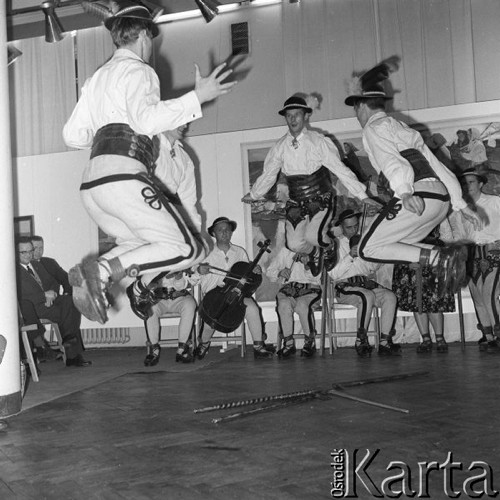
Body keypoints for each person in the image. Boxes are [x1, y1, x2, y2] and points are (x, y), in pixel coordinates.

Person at [62, 0, 237, 325]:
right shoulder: (140, 71)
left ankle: (92, 274)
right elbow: (145, 122)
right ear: (144, 35)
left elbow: (72, 135)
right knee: (184, 250)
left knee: (139, 243)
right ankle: (100, 271)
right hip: (123, 178)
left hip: (91, 186)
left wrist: (108, 137)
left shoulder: (95, 78)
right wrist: (197, 96)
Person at [344, 56, 482, 295]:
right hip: (439, 201)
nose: (356, 116)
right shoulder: (402, 128)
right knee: (398, 245)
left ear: (362, 106)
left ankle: (441, 257)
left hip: (417, 197)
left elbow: (392, 162)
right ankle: (440, 257)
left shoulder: (373, 129)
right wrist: (461, 205)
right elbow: (438, 166)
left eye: (355, 110)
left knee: (367, 248)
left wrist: (405, 192)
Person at [241, 94, 381, 277]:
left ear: (306, 116)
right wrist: (254, 194)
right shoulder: (280, 147)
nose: (292, 119)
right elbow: (269, 174)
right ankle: (316, 253)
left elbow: (341, 170)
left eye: (297, 114)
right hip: (296, 201)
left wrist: (363, 196)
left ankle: (329, 247)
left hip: (319, 198)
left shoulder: (318, 141)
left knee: (314, 236)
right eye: (288, 115)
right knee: (293, 244)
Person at [192, 217, 274, 360]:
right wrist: (199, 270)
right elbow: (192, 279)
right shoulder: (205, 252)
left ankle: (259, 346)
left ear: (231, 233)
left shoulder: (239, 252)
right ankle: (203, 344)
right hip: (213, 294)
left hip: (237, 294)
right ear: (214, 233)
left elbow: (247, 276)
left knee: (253, 308)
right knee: (213, 313)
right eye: (220, 230)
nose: (224, 233)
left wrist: (254, 271)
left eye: (227, 230)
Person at [328, 210, 400, 357]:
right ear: (341, 227)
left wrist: (372, 256)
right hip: (344, 287)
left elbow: (371, 269)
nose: (354, 230)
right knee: (366, 296)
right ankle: (361, 340)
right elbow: (333, 274)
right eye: (349, 227)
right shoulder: (335, 244)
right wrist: (350, 256)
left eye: (355, 226)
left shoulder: (364, 241)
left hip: (365, 284)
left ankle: (385, 341)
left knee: (390, 297)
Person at [16, 237, 91, 367]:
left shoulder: (36, 265)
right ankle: (72, 352)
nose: (29, 255)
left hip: (49, 304)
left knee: (71, 301)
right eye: (24, 252)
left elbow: (51, 283)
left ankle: (68, 341)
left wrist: (53, 294)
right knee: (68, 315)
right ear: (15, 253)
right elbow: (20, 298)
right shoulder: (13, 272)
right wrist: (43, 296)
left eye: (30, 251)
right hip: (32, 309)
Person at [392, 226, 456, 353]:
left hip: (433, 257)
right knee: (417, 300)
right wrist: (406, 257)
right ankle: (425, 338)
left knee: (434, 300)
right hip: (409, 256)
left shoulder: (437, 210)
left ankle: (439, 338)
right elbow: (396, 237)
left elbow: (447, 236)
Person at [460, 169, 500, 352]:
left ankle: (498, 333)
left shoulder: (494, 201)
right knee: (477, 295)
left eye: (472, 182)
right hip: (471, 252)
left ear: (481, 184)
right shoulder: (461, 207)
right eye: (465, 182)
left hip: (493, 250)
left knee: (489, 294)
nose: (468, 185)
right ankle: (488, 334)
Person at [266, 246, 321, 358]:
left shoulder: (315, 251)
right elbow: (269, 271)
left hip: (310, 290)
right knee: (283, 304)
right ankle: (288, 343)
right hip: (290, 290)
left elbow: (319, 278)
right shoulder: (285, 251)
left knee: (302, 305)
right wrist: (280, 272)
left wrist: (308, 266)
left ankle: (310, 342)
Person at [136, 271, 198, 366]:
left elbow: (183, 285)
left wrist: (178, 278)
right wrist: (161, 278)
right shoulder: (153, 262)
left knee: (190, 304)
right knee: (149, 308)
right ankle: (154, 349)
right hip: (158, 299)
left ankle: (182, 348)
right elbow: (146, 283)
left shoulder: (180, 260)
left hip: (179, 296)